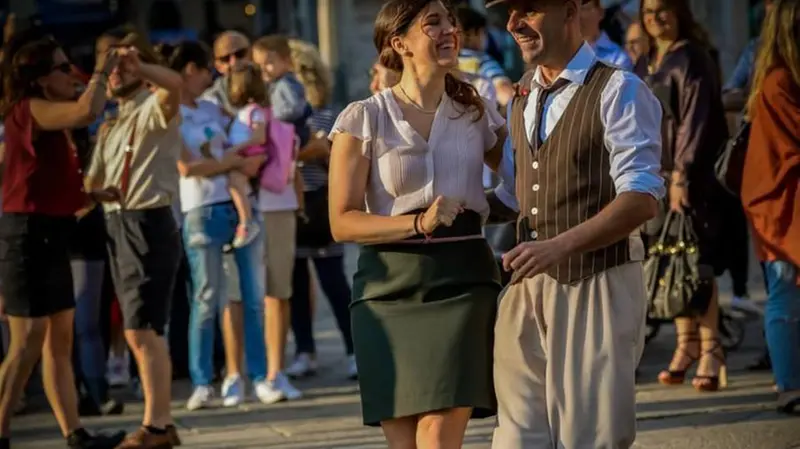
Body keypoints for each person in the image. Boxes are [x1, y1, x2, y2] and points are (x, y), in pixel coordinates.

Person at [485, 0, 664, 447]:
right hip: (527, 288)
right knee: (517, 439)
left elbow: (641, 199)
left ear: (568, 11)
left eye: (527, 9)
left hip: (597, 280)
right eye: (508, 13)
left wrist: (559, 246)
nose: (513, 24)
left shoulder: (619, 88)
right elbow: (518, 196)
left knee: (591, 437)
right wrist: (437, 210)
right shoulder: (523, 93)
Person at [329, 0, 506, 446]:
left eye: (451, 22)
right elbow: (342, 222)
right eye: (434, 23)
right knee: (404, 442)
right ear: (399, 42)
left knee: (439, 432)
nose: (450, 30)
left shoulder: (476, 112)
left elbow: (528, 181)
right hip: (387, 292)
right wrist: (418, 222)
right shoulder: (363, 117)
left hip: (464, 281)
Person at [0, 34, 125, 449]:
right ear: (38, 79)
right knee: (26, 341)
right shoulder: (28, 109)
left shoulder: (45, 116)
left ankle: (75, 434)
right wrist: (104, 67)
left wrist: (93, 195)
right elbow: (88, 109)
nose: (71, 72)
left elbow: (45, 181)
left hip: (52, 232)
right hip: (25, 235)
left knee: (60, 337)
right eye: (61, 67)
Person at [85, 32, 183, 449]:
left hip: (147, 222)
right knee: (134, 331)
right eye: (108, 64)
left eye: (120, 65)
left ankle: (157, 426)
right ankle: (158, 422)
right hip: (117, 222)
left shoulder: (153, 106)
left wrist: (136, 63)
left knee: (144, 330)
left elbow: (173, 86)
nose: (112, 72)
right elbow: (96, 180)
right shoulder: (112, 120)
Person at [169, 42, 273, 411]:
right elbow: (187, 168)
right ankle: (202, 381)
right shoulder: (174, 112)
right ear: (189, 70)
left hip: (236, 206)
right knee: (206, 297)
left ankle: (259, 376)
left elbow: (244, 144)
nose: (211, 76)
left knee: (251, 297)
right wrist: (229, 162)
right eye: (204, 69)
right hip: (200, 210)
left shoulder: (214, 108)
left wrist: (235, 161)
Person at [635, 0, 731, 394]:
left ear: (680, 12)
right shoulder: (646, 61)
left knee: (696, 261)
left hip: (689, 177)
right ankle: (685, 345)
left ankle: (711, 349)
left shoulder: (692, 58)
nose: (655, 18)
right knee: (669, 258)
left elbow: (696, 120)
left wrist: (682, 174)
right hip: (655, 174)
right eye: (648, 11)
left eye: (663, 9)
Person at [284, 38, 357, 380]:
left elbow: (337, 164)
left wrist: (319, 151)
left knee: (333, 282)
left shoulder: (328, 112)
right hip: (291, 204)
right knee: (297, 283)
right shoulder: (282, 116)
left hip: (320, 201)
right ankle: (304, 350)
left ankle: (354, 348)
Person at [740, 0, 800, 414]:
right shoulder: (781, 79)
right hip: (781, 204)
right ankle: (790, 383)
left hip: (779, 200)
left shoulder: (777, 75)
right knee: (782, 292)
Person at [250, 35, 308, 402]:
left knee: (277, 293)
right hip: (251, 202)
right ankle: (248, 372)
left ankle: (273, 370)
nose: (261, 71)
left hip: (276, 200)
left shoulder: (284, 91)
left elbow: (291, 122)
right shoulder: (240, 101)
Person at [455, 5, 515, 106]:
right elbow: (503, 90)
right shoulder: (482, 60)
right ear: (472, 34)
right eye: (483, 32)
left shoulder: (446, 62)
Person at [580, 0, 634, 70]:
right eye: (573, 10)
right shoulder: (564, 54)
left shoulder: (618, 58)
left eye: (583, 9)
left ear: (600, 12)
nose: (578, 16)